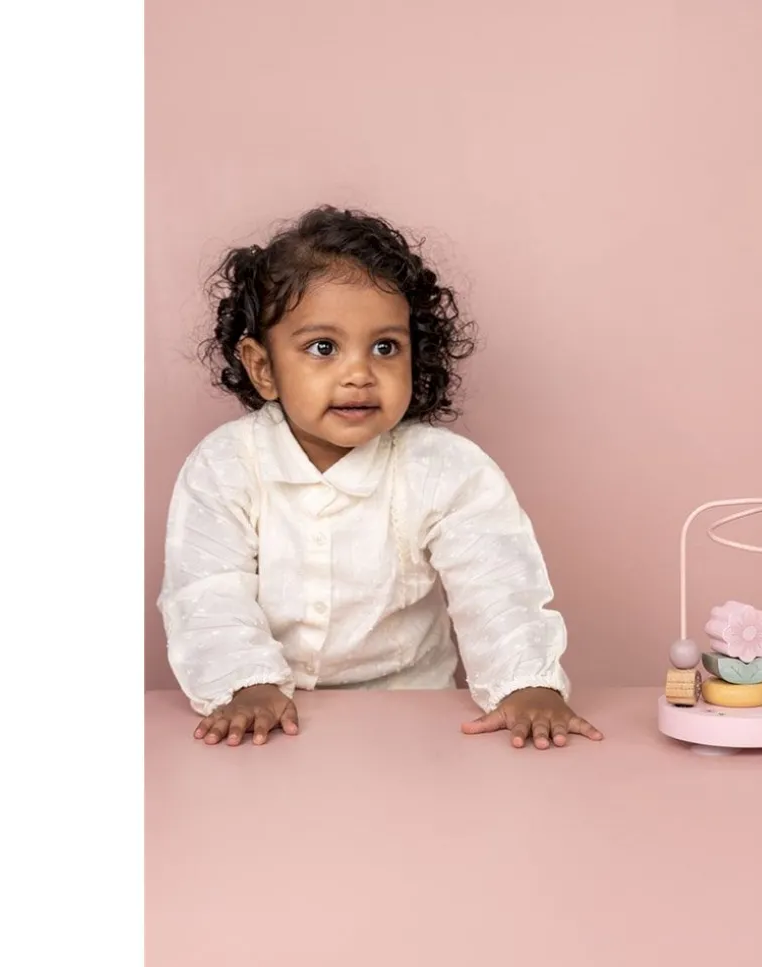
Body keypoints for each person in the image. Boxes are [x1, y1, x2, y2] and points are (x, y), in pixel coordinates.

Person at [158, 205, 602, 752]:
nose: (359, 373)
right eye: (323, 348)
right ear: (263, 367)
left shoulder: (446, 469)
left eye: (385, 347)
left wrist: (527, 684)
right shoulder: (225, 465)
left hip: (413, 718)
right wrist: (245, 684)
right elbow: (207, 589)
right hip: (271, 720)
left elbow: (498, 586)